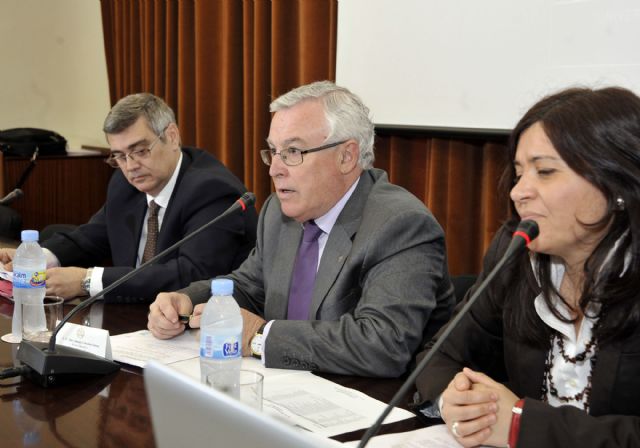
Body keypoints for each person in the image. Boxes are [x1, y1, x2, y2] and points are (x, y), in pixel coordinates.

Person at [147, 80, 455, 377]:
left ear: (346, 156)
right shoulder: (278, 213)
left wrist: (260, 336)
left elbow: (383, 344)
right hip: (286, 389)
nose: (274, 169)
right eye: (273, 151)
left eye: (293, 152)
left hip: (370, 402)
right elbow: (250, 287)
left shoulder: (400, 224)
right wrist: (188, 300)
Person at [414, 86, 640, 447]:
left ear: (616, 183)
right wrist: (453, 399)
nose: (518, 192)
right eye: (519, 173)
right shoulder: (515, 254)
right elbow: (440, 354)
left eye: (545, 171)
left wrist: (523, 425)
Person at [0, 93, 258, 303]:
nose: (131, 166)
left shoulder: (212, 191)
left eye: (140, 151)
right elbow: (93, 236)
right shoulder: (125, 184)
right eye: (120, 156)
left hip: (197, 327)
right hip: (132, 319)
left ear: (172, 136)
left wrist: (86, 281)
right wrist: (36, 257)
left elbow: (190, 274)